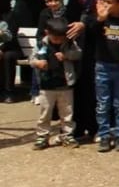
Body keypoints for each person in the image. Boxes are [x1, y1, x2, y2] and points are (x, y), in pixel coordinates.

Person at [49, 0, 117, 143]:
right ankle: (75, 127)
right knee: (75, 82)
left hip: (97, 37)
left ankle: (99, 127)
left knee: (97, 83)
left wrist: (84, 24)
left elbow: (107, 7)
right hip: (74, 39)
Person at [88, 0, 119, 153]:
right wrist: (99, 18)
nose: (105, 5)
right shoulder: (99, 20)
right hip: (102, 67)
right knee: (103, 103)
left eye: (109, 2)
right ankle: (104, 135)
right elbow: (90, 34)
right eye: (103, 1)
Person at [31, 18, 82, 149]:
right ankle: (42, 136)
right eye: (56, 39)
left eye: (61, 38)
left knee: (67, 112)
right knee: (45, 112)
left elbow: (78, 54)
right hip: (47, 85)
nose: (59, 41)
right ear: (47, 33)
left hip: (65, 84)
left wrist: (66, 55)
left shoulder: (70, 43)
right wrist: (38, 63)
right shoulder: (41, 44)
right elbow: (31, 59)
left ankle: (67, 135)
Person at [0, 0, 18, 103]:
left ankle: (8, 91)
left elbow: (11, 37)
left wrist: (1, 48)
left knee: (8, 56)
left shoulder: (10, 15)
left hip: (9, 47)